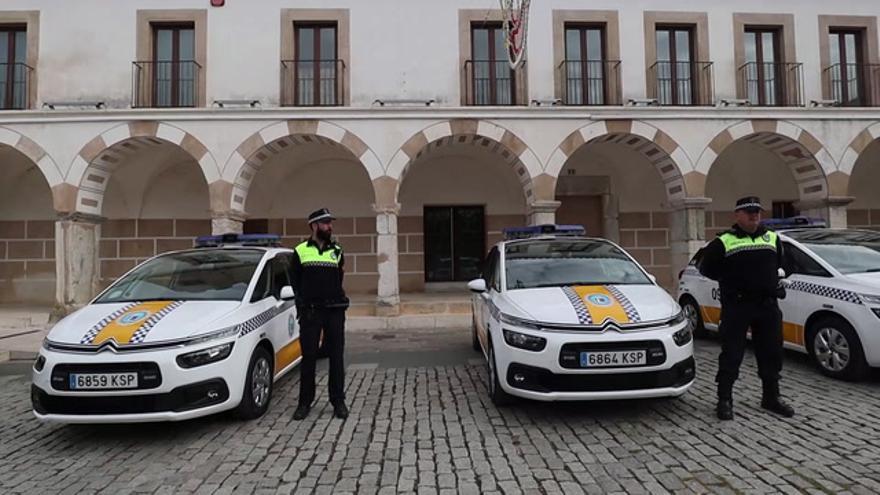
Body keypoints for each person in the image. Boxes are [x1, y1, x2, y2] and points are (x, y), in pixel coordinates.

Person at [698, 196, 795, 421]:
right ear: (737, 215)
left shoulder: (772, 238)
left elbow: (785, 264)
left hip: (767, 305)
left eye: (757, 212)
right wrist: (732, 282)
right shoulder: (724, 241)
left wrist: (776, 280)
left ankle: (771, 397)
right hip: (738, 306)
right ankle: (724, 400)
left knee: (771, 352)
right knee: (732, 353)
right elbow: (707, 268)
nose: (754, 215)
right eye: (749, 212)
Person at [291, 208, 349, 420]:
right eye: (325, 223)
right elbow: (295, 283)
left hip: (334, 311)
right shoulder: (300, 251)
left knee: (336, 357)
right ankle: (304, 402)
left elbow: (339, 278)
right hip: (311, 313)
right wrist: (302, 306)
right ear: (314, 226)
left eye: (330, 223)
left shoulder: (337, 251)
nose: (329, 226)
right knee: (309, 358)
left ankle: (338, 401)